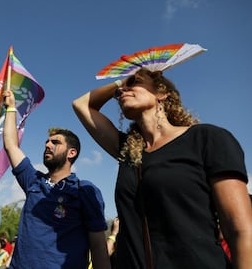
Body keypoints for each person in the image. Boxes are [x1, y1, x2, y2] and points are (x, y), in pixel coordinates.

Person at [72, 68, 252, 268]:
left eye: (133, 82)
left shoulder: (206, 139)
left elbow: (240, 230)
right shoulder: (128, 152)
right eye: (118, 93)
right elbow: (82, 104)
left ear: (161, 92)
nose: (122, 91)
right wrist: (121, 82)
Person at [3, 90, 110, 269]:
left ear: (72, 153)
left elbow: (98, 246)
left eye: (55, 142)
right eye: (47, 142)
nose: (47, 145)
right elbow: (11, 145)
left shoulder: (84, 190)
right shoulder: (33, 181)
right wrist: (12, 108)